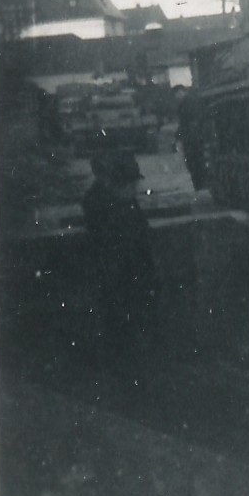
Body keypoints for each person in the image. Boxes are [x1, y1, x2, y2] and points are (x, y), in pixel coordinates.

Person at [81, 149, 158, 368]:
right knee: (119, 325)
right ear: (110, 183)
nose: (134, 189)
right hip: (115, 276)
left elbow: (141, 235)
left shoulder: (125, 202)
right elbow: (113, 243)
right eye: (129, 185)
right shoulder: (101, 205)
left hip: (133, 274)